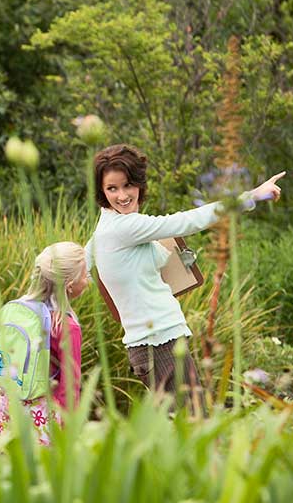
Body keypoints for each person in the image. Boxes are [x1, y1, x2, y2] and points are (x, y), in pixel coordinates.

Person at [87, 143, 284, 401]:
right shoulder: (124, 227)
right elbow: (187, 220)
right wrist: (252, 196)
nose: (122, 195)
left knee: (183, 429)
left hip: (156, 341)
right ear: (102, 191)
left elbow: (85, 263)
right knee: (192, 425)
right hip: (158, 343)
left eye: (127, 185)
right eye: (112, 188)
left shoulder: (107, 225)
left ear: (139, 184)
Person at [0, 242, 88, 444]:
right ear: (70, 285)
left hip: (9, 405)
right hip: (43, 416)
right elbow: (69, 387)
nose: (87, 280)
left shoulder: (20, 311)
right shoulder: (66, 326)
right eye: (84, 275)